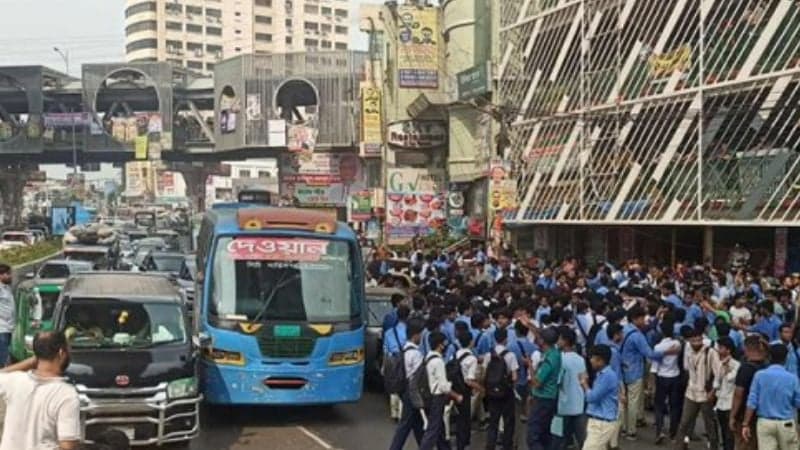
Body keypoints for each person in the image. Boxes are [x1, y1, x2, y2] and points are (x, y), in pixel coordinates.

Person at [0, 331, 80, 450]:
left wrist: (32, 361)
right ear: (61, 353)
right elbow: (67, 446)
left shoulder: (15, 381)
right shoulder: (66, 394)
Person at [620, 306, 676, 441]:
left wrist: (656, 317)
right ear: (635, 319)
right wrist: (666, 352)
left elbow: (647, 327)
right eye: (642, 318)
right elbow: (649, 353)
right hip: (634, 370)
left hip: (623, 368)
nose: (644, 321)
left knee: (623, 401)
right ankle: (631, 431)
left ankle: (623, 427)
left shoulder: (624, 329)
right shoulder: (637, 336)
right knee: (633, 401)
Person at [742, 344, 800, 450]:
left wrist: (745, 423)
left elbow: (752, 401)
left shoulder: (759, 375)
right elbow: (797, 402)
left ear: (769, 357)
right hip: (786, 424)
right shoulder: (792, 378)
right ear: (786, 358)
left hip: (765, 423)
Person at [673, 328, 720, 450]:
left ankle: (714, 446)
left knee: (709, 424)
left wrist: (713, 391)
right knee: (684, 423)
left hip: (705, 394)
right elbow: (688, 370)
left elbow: (718, 374)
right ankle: (680, 446)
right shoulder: (689, 352)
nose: (696, 343)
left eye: (699, 340)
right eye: (693, 341)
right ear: (689, 341)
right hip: (691, 393)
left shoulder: (710, 353)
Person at [420, 331, 463, 450]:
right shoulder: (438, 361)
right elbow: (443, 386)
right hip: (437, 398)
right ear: (440, 345)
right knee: (433, 430)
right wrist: (456, 396)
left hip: (428, 396)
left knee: (440, 429)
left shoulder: (427, 357)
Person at [389, 318, 425, 450]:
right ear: (416, 335)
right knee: (405, 426)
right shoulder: (415, 354)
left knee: (417, 425)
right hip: (412, 392)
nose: (422, 337)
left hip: (405, 391)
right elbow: (417, 378)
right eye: (421, 333)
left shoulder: (404, 349)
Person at [731, 335, 769, 450]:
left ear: (745, 348)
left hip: (744, 414)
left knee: (743, 444)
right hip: (762, 414)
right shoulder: (767, 365)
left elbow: (739, 394)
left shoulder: (745, 369)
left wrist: (733, 416)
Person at [483, 327, 518, 450]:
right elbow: (514, 377)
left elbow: (484, 373)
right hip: (506, 391)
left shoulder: (489, 355)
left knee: (493, 421)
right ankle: (507, 445)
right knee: (508, 421)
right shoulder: (511, 355)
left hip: (492, 392)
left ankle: (490, 445)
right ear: (506, 339)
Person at [528, 327, 561, 450]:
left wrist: (530, 367)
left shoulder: (548, 360)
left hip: (542, 398)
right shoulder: (555, 353)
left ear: (542, 341)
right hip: (551, 397)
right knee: (545, 433)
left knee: (533, 436)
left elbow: (537, 383)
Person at [553, 327, 587, 450]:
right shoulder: (580, 359)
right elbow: (584, 379)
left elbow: (557, 382)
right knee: (582, 440)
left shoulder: (560, 359)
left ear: (565, 341)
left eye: (559, 338)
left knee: (558, 440)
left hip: (562, 406)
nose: (557, 341)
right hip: (578, 404)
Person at [581, 345, 619, 450]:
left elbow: (592, 397)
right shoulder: (602, 374)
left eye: (593, 358)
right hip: (599, 421)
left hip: (602, 423)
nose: (591, 360)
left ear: (600, 360)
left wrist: (585, 384)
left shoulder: (607, 376)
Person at [652, 321, 682, 444]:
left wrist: (652, 383)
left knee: (659, 406)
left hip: (661, 377)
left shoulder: (658, 347)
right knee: (674, 406)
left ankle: (659, 431)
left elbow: (654, 367)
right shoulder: (677, 344)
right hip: (674, 375)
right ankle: (673, 433)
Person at [453, 330, 481, 450]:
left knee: (459, 417)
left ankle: (460, 441)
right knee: (465, 417)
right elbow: (469, 380)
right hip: (465, 390)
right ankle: (463, 443)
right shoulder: (472, 359)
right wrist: (481, 388)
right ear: (471, 341)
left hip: (454, 388)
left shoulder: (456, 353)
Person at [384, 305, 411, 420]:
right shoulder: (408, 331)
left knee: (393, 385)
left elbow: (385, 348)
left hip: (391, 358)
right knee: (403, 384)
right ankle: (401, 413)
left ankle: (393, 412)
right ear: (407, 317)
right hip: (404, 357)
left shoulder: (389, 332)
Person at [714, 337, 740, 450]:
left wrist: (726, 367)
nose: (718, 350)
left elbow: (730, 378)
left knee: (730, 435)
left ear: (728, 350)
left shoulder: (736, 365)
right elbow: (716, 383)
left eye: (721, 348)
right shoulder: (720, 363)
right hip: (720, 403)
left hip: (730, 403)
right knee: (723, 433)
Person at [0, 264, 14, 367]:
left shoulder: (7, 288)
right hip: (2, 328)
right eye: (8, 274)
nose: (10, 276)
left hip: (9, 327)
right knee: (5, 360)